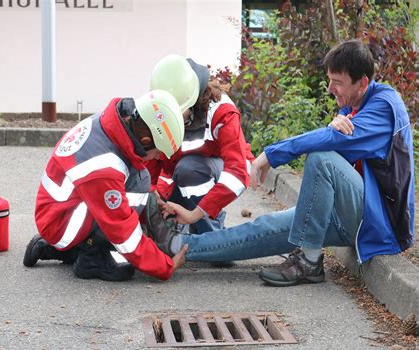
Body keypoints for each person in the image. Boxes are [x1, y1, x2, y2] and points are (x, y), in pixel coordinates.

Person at [151, 39, 415, 287]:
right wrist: (335, 126)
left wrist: (272, 153)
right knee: (261, 229)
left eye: (337, 82)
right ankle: (175, 244)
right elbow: (340, 150)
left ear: (362, 83)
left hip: (378, 222)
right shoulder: (353, 105)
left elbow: (330, 148)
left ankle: (309, 261)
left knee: (321, 159)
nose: (330, 89)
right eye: (329, 81)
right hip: (347, 210)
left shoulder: (384, 106)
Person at [23, 89, 189, 281]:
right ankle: (91, 260)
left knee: (140, 180)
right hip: (61, 224)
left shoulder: (112, 123)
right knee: (139, 184)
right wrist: (164, 266)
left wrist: (153, 197)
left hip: (58, 214)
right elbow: (121, 229)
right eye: (158, 152)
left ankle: (59, 247)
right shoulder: (104, 166)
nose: (159, 157)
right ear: (145, 140)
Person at [147, 54, 255, 236]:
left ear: (194, 99)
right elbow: (150, 165)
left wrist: (193, 215)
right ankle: (187, 225)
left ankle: (212, 237)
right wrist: (154, 196)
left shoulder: (221, 111)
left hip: (213, 171)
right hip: (178, 176)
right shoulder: (161, 112)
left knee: (190, 169)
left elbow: (237, 171)